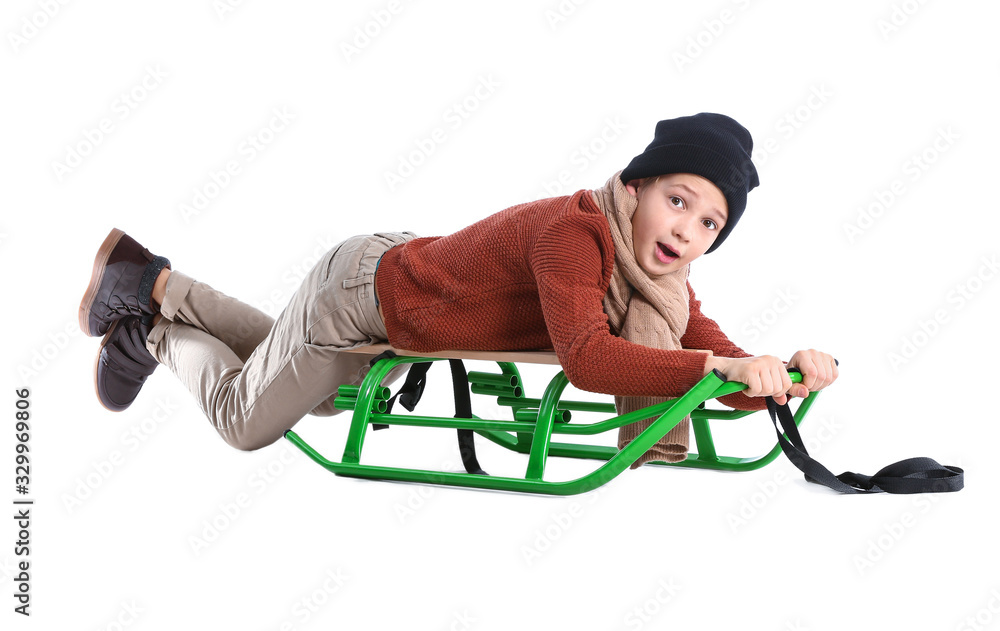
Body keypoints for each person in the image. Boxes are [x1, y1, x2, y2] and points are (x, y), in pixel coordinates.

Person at [78, 112, 838, 466]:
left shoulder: (660, 289)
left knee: (305, 388)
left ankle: (154, 280)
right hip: (364, 295)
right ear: (635, 187)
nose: (688, 230)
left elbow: (720, 369)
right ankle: (150, 329)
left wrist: (782, 376)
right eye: (678, 199)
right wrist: (716, 370)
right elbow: (588, 358)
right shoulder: (577, 234)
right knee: (247, 418)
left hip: (392, 283)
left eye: (711, 222)